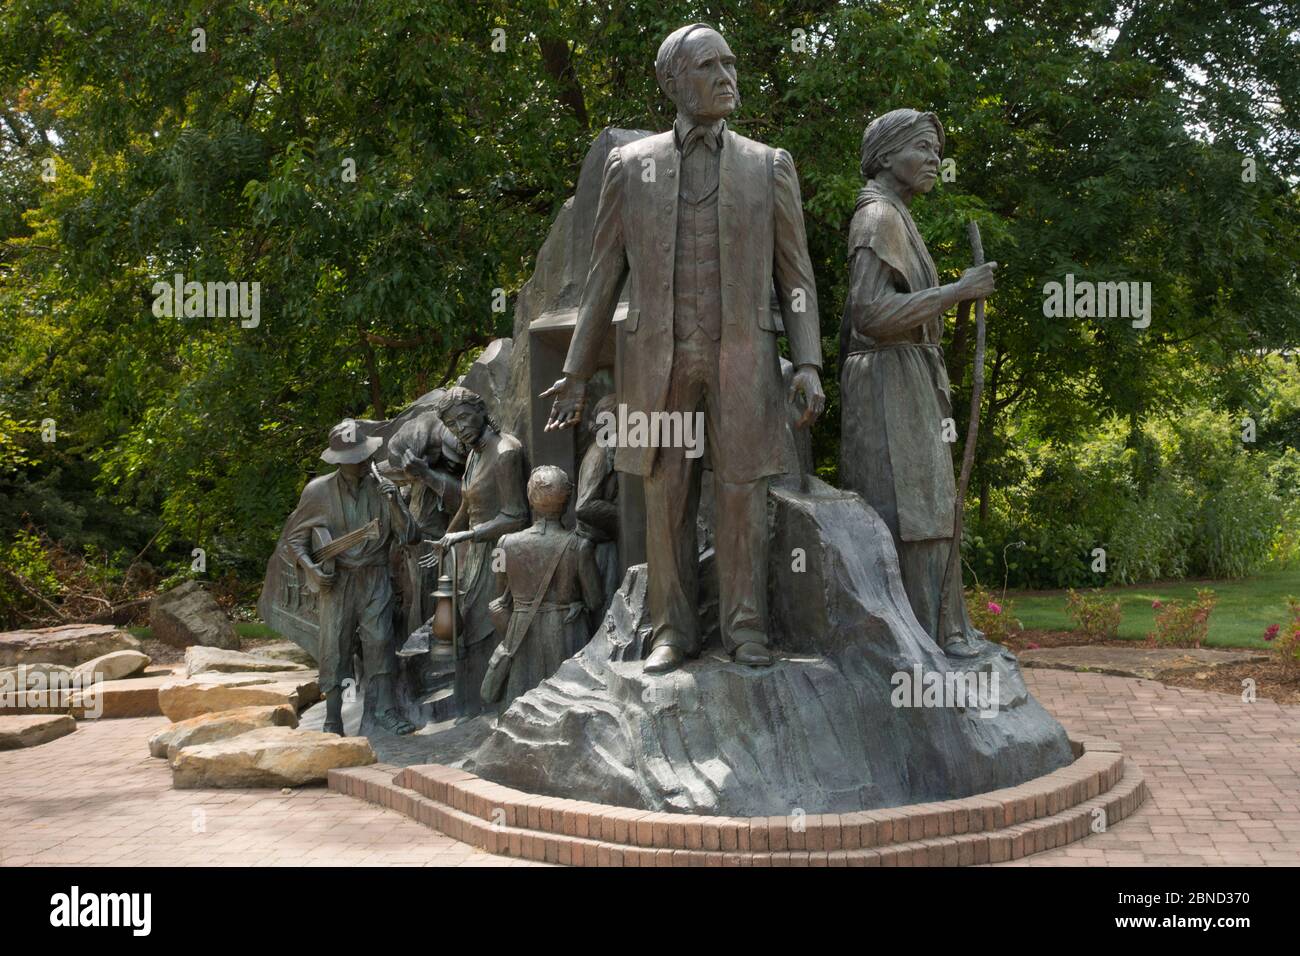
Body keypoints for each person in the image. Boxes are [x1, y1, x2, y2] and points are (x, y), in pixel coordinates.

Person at [541, 23, 825, 674]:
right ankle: (672, 630)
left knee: (741, 496)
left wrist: (807, 361)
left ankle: (745, 628)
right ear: (671, 81)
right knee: (664, 492)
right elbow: (603, 275)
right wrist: (577, 369)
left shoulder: (767, 164)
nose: (728, 77)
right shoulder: (630, 166)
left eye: (731, 63)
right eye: (709, 66)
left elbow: (798, 279)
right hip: (656, 361)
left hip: (744, 359)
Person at [838, 108, 998, 657]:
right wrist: (958, 291)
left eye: (936, 151)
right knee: (908, 510)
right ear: (886, 156)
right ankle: (918, 638)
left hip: (906, 376)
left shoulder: (898, 217)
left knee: (928, 505)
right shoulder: (879, 216)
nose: (935, 161)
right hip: (887, 379)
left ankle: (939, 629)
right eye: (923, 149)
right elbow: (872, 315)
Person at [283, 420, 419, 735]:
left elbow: (411, 537)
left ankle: (385, 710)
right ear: (340, 460)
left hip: (375, 577)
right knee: (336, 647)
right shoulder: (318, 491)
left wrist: (395, 503)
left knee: (381, 642)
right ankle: (334, 718)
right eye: (355, 458)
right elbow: (295, 539)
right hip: (337, 581)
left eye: (364, 456)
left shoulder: (384, 487)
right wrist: (312, 569)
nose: (363, 462)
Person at [420, 387, 528, 716]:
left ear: (481, 409)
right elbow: (467, 504)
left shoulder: (505, 451)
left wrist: (468, 534)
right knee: (464, 624)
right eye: (453, 425)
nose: (461, 427)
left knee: (488, 624)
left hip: (501, 552)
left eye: (465, 417)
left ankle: (499, 703)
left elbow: (516, 515)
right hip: (475, 553)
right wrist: (447, 536)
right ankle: (471, 703)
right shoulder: (474, 453)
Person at [482, 466, 603, 710]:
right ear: (567, 502)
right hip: (568, 633)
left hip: (522, 632)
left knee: (522, 703)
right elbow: (595, 600)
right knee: (568, 707)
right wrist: (577, 602)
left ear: (531, 500)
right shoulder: (582, 545)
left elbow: (499, 595)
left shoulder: (503, 544)